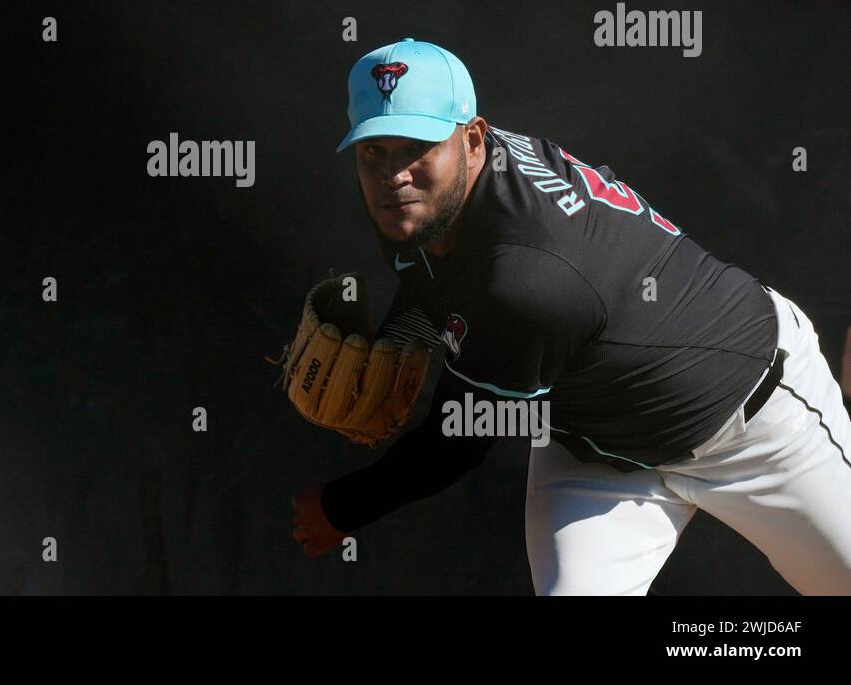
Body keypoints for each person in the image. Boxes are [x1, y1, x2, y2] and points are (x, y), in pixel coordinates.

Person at [291, 38, 851, 595]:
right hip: (593, 447)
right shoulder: (421, 202)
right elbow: (428, 282)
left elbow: (460, 436)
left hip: (754, 422)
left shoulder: (528, 275)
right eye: (374, 150)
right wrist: (401, 335)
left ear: (473, 139)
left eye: (417, 145)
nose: (394, 173)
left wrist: (341, 508)